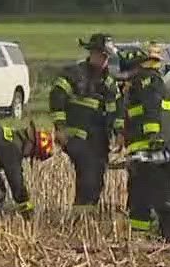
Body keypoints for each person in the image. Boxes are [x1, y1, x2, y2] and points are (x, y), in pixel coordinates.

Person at [49, 33, 118, 206]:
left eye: (107, 56)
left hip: (99, 141)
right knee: (88, 179)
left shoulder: (109, 82)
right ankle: (80, 217)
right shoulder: (74, 74)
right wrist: (60, 128)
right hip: (77, 138)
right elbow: (57, 97)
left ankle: (85, 217)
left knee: (96, 182)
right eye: (102, 55)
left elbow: (115, 110)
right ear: (92, 53)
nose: (105, 60)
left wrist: (119, 133)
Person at [114, 45, 170, 236]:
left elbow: (151, 108)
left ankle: (143, 233)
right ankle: (141, 232)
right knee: (141, 191)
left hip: (148, 147)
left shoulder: (146, 81)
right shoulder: (143, 81)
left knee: (142, 192)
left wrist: (153, 138)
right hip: (144, 146)